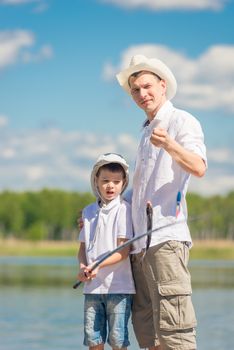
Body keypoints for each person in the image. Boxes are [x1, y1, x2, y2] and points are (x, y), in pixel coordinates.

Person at [116, 55, 207, 350]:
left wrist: (169, 143)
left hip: (167, 240)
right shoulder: (145, 131)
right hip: (140, 248)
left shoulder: (182, 120)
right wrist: (99, 213)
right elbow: (138, 192)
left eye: (147, 86)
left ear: (162, 85)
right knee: (147, 333)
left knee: (175, 333)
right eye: (135, 91)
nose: (142, 95)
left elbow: (199, 166)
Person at [77, 153, 136, 350]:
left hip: (118, 288)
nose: (110, 186)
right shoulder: (87, 212)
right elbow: (83, 248)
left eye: (116, 181)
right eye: (105, 181)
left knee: (118, 341)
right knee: (93, 340)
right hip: (92, 289)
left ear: (124, 183)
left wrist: (98, 264)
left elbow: (123, 251)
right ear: (96, 181)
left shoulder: (124, 210)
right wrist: (83, 266)